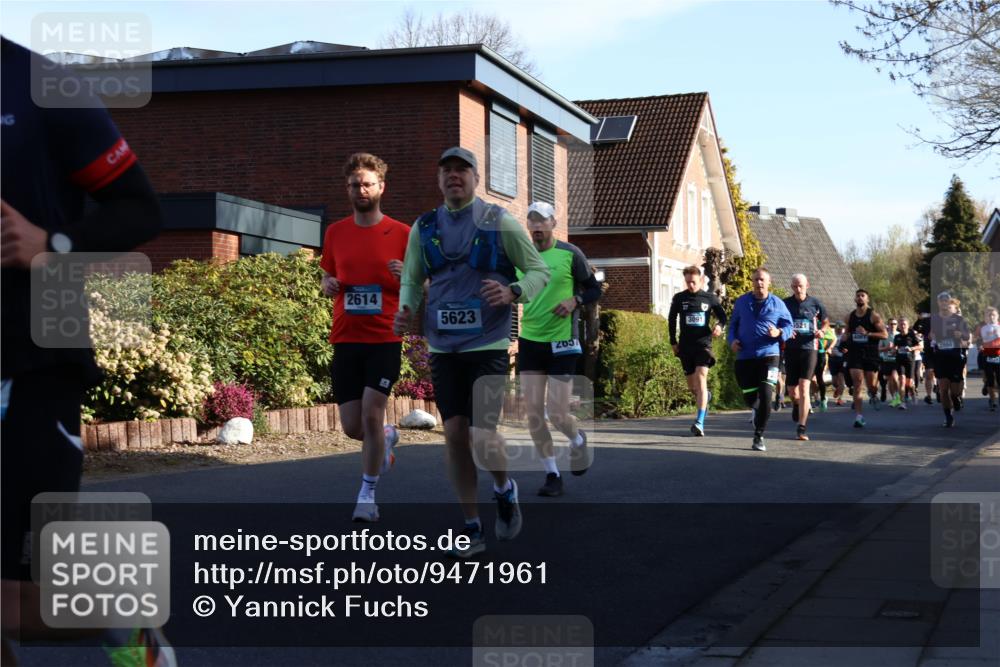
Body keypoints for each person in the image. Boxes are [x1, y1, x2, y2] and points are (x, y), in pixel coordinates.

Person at [1, 37, 171, 665]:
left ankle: (122, 622)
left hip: (32, 359)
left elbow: (140, 209)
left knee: (18, 596)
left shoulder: (43, 86)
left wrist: (52, 241)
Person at [394, 147, 549, 557]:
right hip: (443, 346)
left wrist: (513, 291)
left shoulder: (500, 223)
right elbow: (411, 279)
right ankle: (471, 525)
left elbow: (539, 271)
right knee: (455, 436)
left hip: (489, 343)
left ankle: (503, 488)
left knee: (482, 435)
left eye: (461, 170)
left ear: (476, 178)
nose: (453, 176)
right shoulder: (423, 226)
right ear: (439, 180)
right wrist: (405, 309)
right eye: (446, 170)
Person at [320, 152, 410, 522]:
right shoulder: (336, 232)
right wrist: (327, 284)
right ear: (348, 189)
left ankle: (367, 496)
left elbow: (425, 286)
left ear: (381, 187)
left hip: (384, 338)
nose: (361, 189)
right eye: (355, 184)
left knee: (371, 416)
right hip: (345, 337)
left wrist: (407, 274)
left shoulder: (402, 233)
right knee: (354, 428)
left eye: (368, 183)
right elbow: (326, 277)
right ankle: (386, 437)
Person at [516, 202, 600, 496]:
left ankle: (577, 440)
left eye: (542, 221)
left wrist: (574, 301)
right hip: (530, 341)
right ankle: (552, 474)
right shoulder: (520, 256)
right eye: (532, 222)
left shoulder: (570, 254)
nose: (537, 227)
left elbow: (594, 288)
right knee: (534, 414)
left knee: (557, 413)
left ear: (553, 223)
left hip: (563, 341)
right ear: (528, 226)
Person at [727, 268, 793, 452]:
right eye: (756, 280)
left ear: (769, 282)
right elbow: (732, 326)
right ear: (752, 282)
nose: (759, 283)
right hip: (745, 356)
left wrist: (779, 332)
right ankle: (756, 409)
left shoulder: (778, 304)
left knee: (765, 395)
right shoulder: (742, 302)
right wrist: (732, 340)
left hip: (769, 355)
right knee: (749, 397)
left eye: (762, 280)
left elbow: (789, 325)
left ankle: (759, 435)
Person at [668, 265, 727, 437]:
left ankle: (699, 421)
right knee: (693, 387)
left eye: (693, 282)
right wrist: (673, 342)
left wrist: (719, 326)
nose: (691, 285)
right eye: (687, 282)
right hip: (686, 346)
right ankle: (705, 396)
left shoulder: (709, 298)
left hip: (704, 345)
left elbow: (722, 316)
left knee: (701, 377)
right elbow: (672, 320)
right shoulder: (679, 298)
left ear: (700, 280)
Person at [782, 273, 829, 440]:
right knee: (792, 392)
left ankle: (801, 427)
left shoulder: (815, 303)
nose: (798, 288)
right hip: (791, 349)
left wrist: (822, 331)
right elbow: (779, 321)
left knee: (804, 387)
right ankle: (796, 404)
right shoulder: (785, 303)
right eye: (794, 286)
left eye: (800, 285)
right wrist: (785, 330)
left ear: (807, 285)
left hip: (810, 348)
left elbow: (825, 321)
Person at [842, 289, 888, 428]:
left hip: (870, 353)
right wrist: (845, 338)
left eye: (863, 296)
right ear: (855, 299)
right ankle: (859, 416)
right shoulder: (850, 316)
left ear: (867, 299)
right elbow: (847, 333)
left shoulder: (873, 316)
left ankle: (873, 393)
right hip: (855, 353)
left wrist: (867, 333)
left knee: (872, 385)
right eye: (858, 296)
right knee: (857, 383)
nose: (860, 298)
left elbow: (884, 335)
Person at [930, 293, 971, 427]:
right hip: (940, 357)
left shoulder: (959, 320)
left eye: (946, 301)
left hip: (955, 357)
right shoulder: (934, 319)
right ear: (938, 303)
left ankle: (956, 398)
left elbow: (967, 338)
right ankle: (948, 416)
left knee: (954, 390)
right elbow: (927, 336)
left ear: (949, 303)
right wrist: (930, 337)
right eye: (941, 301)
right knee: (943, 388)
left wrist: (961, 335)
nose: (944, 303)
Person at [891, 317, 921, 408]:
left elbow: (920, 346)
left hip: (910, 361)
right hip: (900, 361)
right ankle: (902, 402)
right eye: (901, 324)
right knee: (902, 380)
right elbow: (895, 347)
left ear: (908, 326)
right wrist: (893, 350)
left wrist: (911, 348)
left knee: (909, 383)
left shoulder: (911, 335)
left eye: (904, 324)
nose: (902, 326)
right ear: (899, 326)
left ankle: (912, 392)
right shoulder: (897, 337)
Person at [978, 307, 1000, 411]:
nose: (991, 317)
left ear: (997, 316)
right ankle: (993, 400)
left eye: (993, 315)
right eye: (989, 315)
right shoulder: (983, 328)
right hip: (987, 356)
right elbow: (981, 340)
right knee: (990, 380)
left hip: (999, 356)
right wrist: (981, 346)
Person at [914, 312, 937, 404]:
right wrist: (919, 319)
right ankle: (929, 395)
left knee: (941, 374)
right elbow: (916, 328)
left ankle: (939, 389)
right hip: (929, 351)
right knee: (928, 374)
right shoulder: (927, 321)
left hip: (941, 351)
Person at [814, 321, 837, 411]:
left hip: (821, 355)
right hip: (809, 354)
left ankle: (823, 398)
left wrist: (830, 347)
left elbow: (834, 338)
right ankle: (814, 399)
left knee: (818, 378)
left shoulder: (823, 324)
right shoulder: (806, 320)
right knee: (811, 380)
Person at [877, 318, 899, 406]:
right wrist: (887, 348)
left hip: (897, 360)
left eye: (894, 324)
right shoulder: (884, 336)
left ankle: (898, 395)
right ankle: (894, 398)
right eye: (891, 324)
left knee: (895, 378)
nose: (893, 325)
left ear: (897, 325)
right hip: (886, 360)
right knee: (890, 380)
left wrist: (896, 349)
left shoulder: (899, 335)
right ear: (888, 325)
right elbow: (878, 349)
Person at [829, 323, 849, 406]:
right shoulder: (831, 335)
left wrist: (847, 351)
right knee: (834, 381)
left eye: (841, 328)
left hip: (842, 359)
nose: (839, 329)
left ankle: (840, 398)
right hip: (833, 359)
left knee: (841, 378)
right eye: (838, 328)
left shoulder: (845, 336)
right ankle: (837, 388)